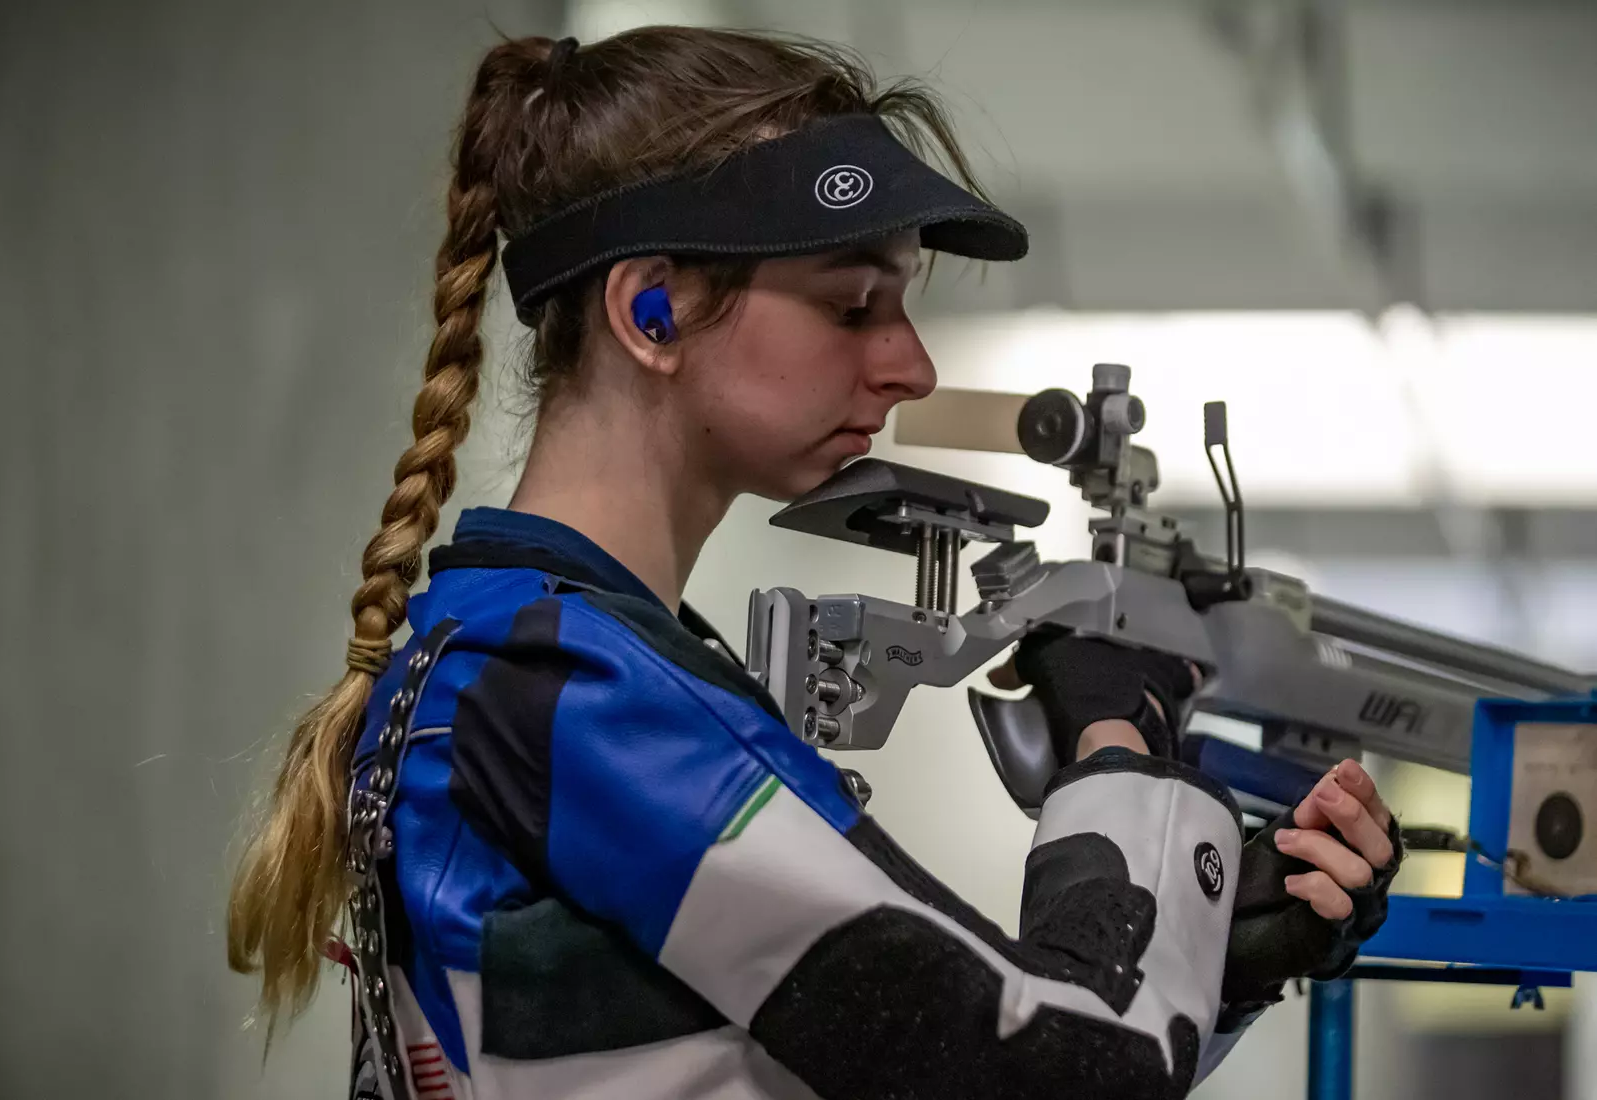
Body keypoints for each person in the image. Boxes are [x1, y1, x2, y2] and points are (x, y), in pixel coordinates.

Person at [227, 26, 1401, 1100]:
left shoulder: (529, 667)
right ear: (652, 314)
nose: (914, 368)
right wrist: (1117, 745)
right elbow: (1068, 1080)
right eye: (853, 307)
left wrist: (1213, 953)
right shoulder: (578, 702)